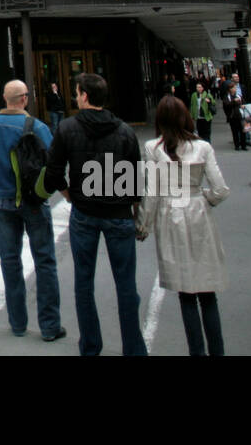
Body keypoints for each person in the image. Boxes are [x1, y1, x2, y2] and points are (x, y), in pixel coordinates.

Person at [44, 72, 147, 356]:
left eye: (77, 92)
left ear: (85, 96)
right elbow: (135, 181)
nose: (75, 96)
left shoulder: (67, 128)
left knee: (84, 283)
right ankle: (134, 349)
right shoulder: (125, 131)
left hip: (85, 213)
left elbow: (53, 172)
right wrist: (136, 214)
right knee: (126, 285)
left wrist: (68, 195)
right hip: (119, 214)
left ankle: (90, 346)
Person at [138, 96, 229, 355]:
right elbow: (221, 189)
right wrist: (205, 200)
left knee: (185, 292)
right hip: (199, 211)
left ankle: (196, 352)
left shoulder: (152, 148)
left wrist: (144, 225)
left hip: (170, 214)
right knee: (207, 291)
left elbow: (152, 191)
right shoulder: (203, 147)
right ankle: (218, 351)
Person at [0, 79, 64, 341]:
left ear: (5, 99)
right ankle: (49, 326)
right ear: (24, 99)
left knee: (10, 261)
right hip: (34, 202)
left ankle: (18, 324)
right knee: (45, 261)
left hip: (4, 201)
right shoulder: (38, 127)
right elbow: (53, 165)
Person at [221, 81, 248, 151]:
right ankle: (237, 145)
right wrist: (234, 102)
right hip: (233, 116)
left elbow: (243, 102)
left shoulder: (238, 96)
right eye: (233, 87)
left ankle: (243, 145)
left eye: (235, 87)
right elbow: (226, 105)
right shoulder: (227, 97)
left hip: (241, 115)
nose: (235, 88)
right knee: (235, 131)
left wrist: (243, 105)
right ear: (230, 89)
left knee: (243, 131)